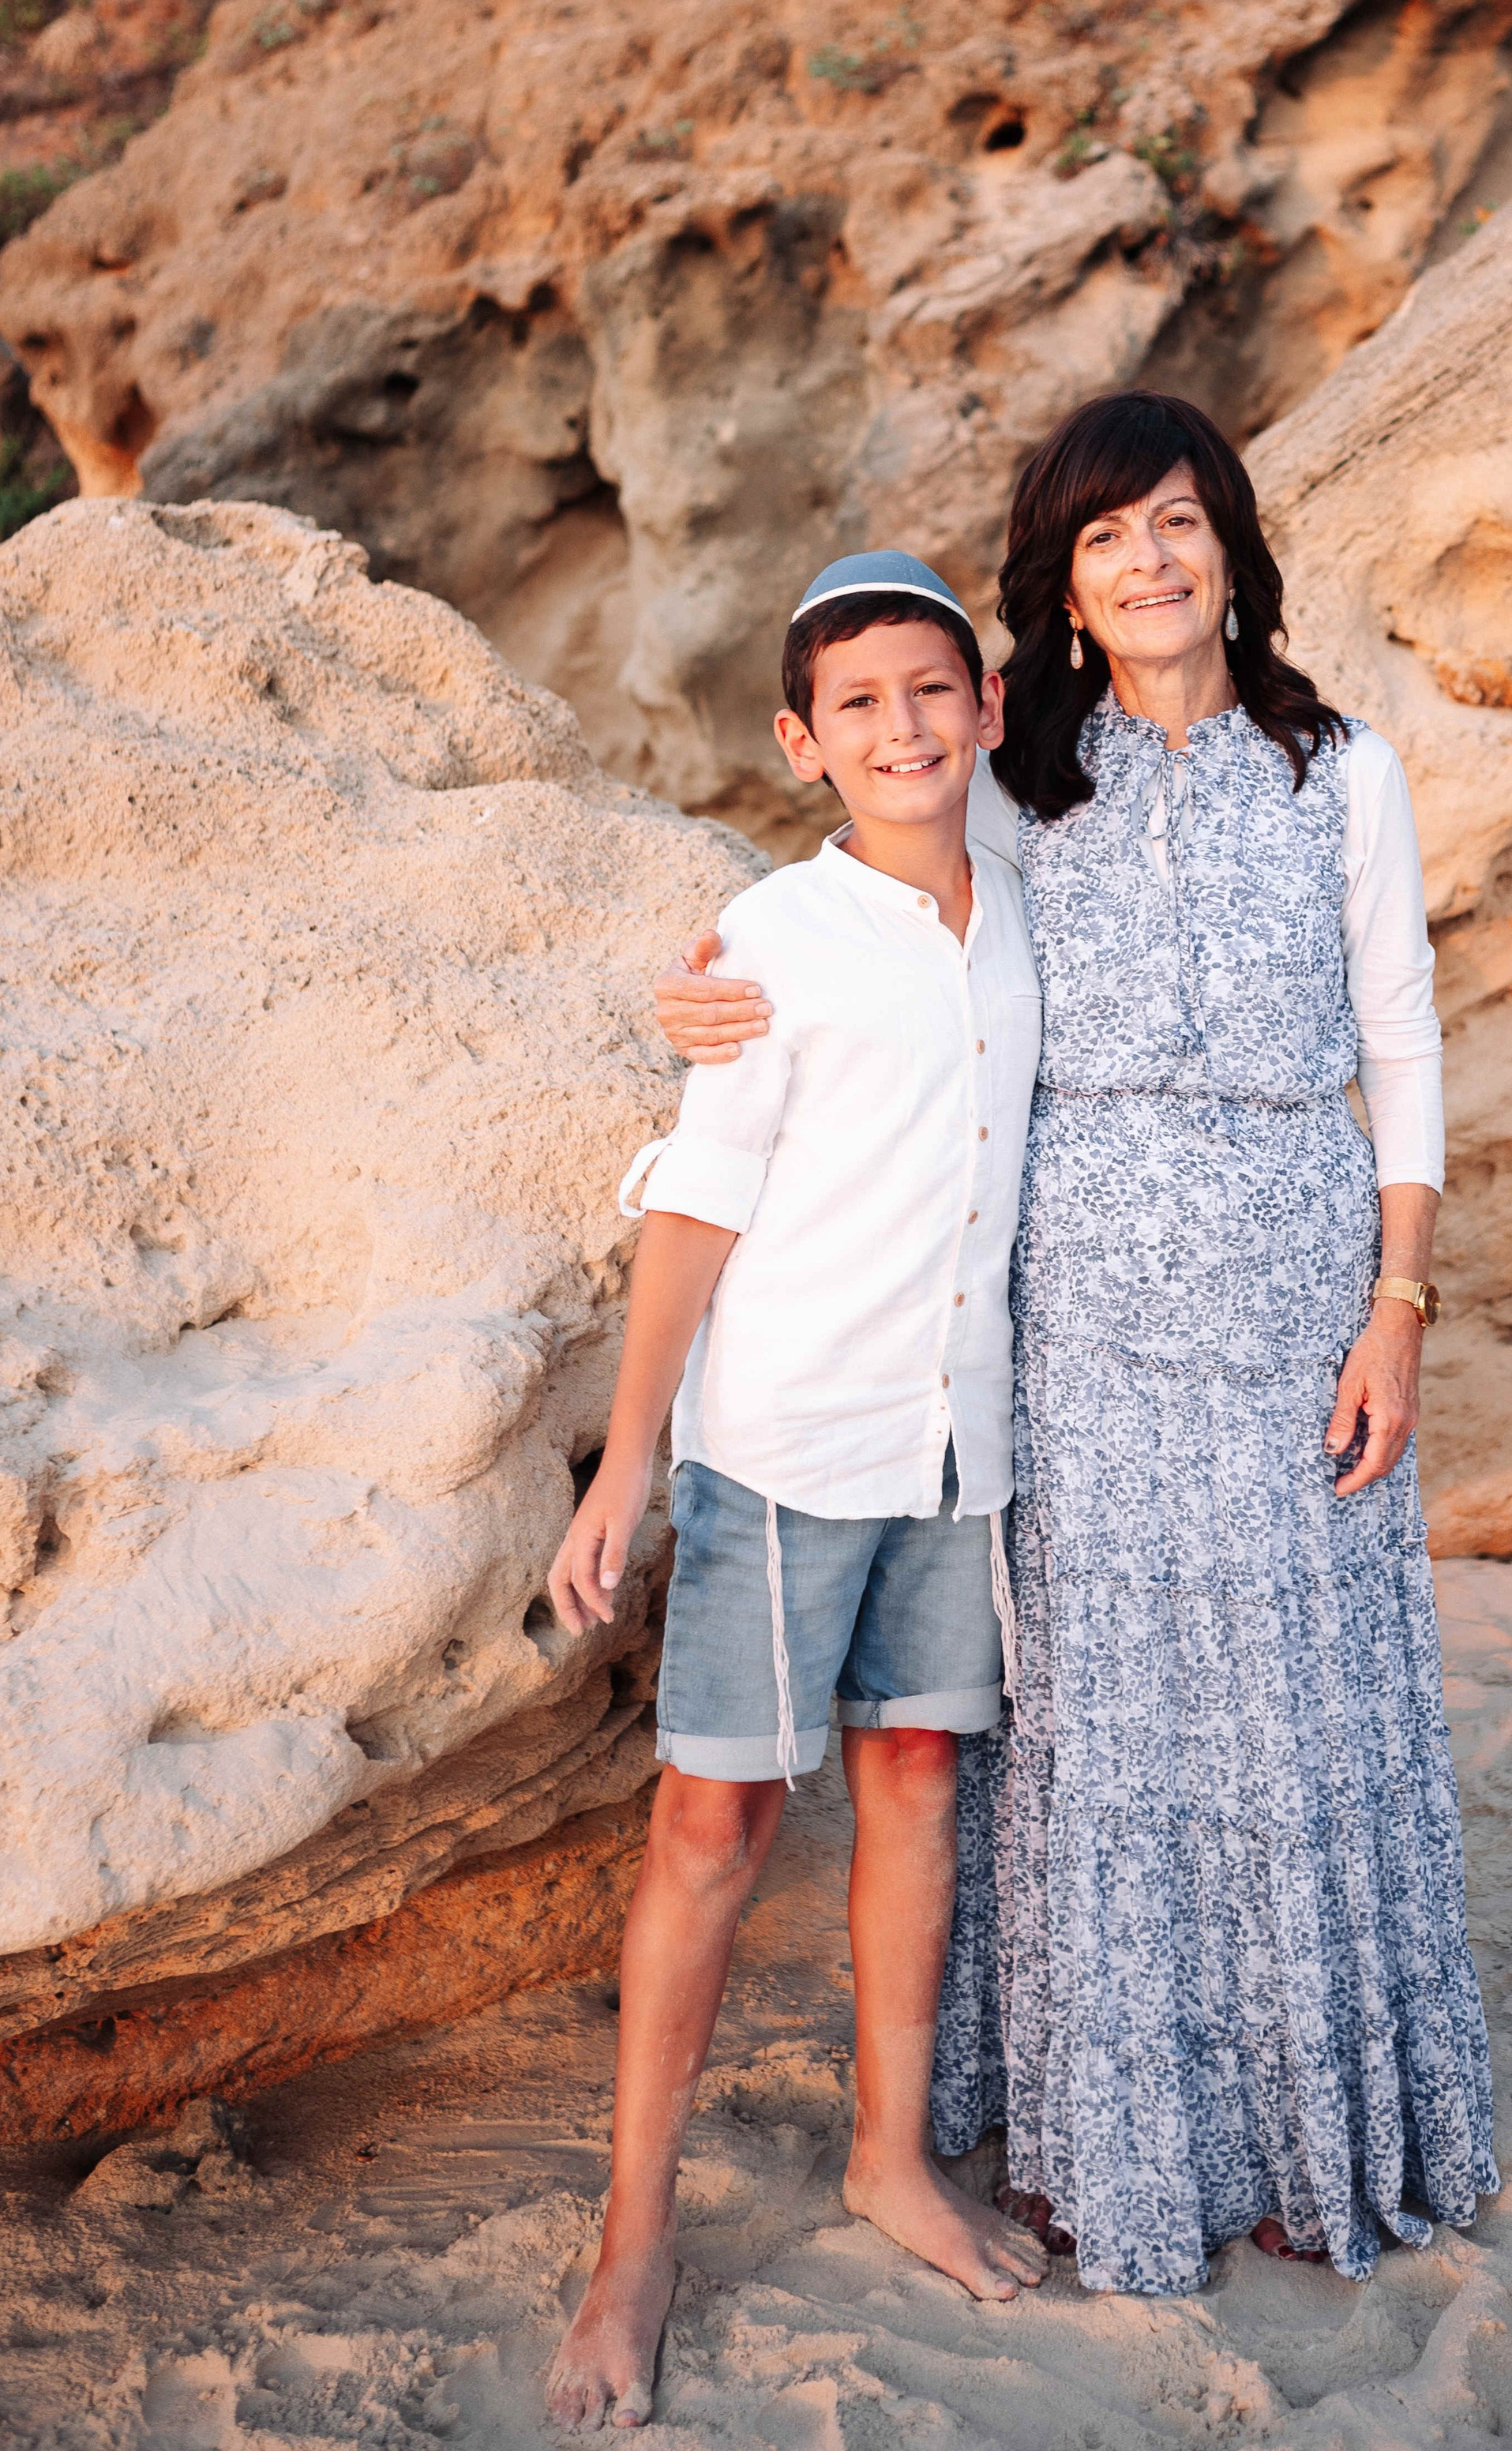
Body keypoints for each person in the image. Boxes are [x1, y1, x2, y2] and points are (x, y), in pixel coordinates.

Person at [655, 393, 1497, 2299]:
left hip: (1301, 1297)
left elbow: (1404, 1047)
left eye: (1177, 522)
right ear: (1064, 578)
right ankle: (1114, 2135)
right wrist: (705, 985)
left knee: (1296, 1714)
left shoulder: (1343, 770)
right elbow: (856, 901)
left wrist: (1399, 1303)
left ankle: (1311, 2136)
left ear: (1231, 546)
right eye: (1106, 536)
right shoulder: (1022, 781)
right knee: (1105, 1735)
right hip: (1083, 1321)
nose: (1148, 562)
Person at [543, 552, 1049, 2432]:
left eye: (934, 693)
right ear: (798, 740)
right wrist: (628, 1462)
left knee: (916, 1780)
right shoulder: (768, 937)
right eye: (859, 707)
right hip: (786, 1447)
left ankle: (886, 2157)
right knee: (714, 1828)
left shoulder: (1028, 909)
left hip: (957, 1444)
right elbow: (696, 1204)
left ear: (985, 709)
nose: (904, 730)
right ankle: (630, 2239)